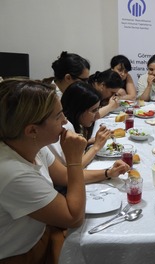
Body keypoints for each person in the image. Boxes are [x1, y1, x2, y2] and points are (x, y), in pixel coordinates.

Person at [0, 79, 87, 263]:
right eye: (58, 116)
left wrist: (108, 173)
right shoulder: (12, 172)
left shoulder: (31, 143)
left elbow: (63, 176)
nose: (65, 121)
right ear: (32, 130)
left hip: (40, 235)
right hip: (18, 255)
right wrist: (74, 158)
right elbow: (73, 217)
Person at [49, 81, 129, 185]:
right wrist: (96, 146)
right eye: (93, 110)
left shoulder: (73, 125)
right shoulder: (65, 128)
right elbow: (72, 170)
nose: (97, 117)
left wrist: (90, 141)